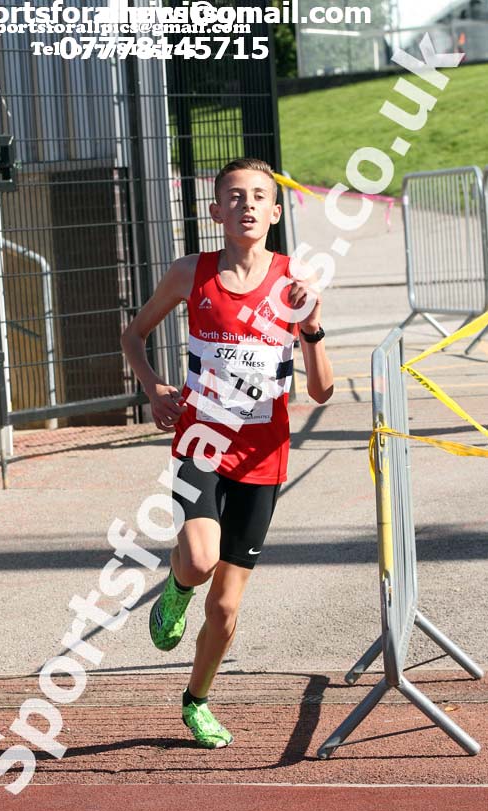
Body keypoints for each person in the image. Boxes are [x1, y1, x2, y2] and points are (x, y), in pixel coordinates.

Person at [122, 158, 333, 749]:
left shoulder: (294, 282)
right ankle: (174, 590)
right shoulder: (191, 273)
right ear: (215, 211)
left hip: (264, 457)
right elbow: (133, 334)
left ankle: (197, 700)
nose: (246, 204)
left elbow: (320, 390)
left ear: (275, 211)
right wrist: (153, 387)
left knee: (226, 609)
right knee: (197, 558)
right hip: (201, 442)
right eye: (234, 196)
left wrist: (311, 327)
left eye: (259, 196)